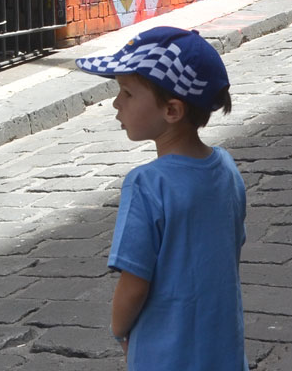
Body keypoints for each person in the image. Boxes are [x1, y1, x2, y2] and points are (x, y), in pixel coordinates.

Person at [75, 26, 248, 371]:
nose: (115, 103)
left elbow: (135, 282)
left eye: (126, 92)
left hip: (164, 356)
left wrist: (119, 329)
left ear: (172, 110)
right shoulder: (227, 169)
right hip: (223, 351)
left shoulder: (146, 184)